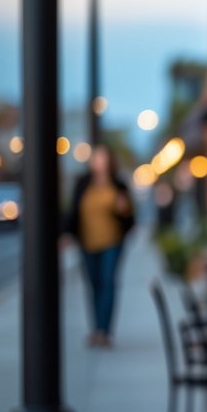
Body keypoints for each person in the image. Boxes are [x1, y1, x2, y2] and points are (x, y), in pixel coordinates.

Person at [65, 143, 135, 347]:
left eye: (103, 157)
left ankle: (105, 331)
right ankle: (95, 329)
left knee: (108, 283)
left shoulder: (118, 184)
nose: (99, 161)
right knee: (93, 285)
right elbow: (73, 211)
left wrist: (124, 210)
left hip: (112, 242)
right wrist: (67, 234)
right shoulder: (83, 183)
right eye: (96, 157)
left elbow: (130, 217)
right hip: (87, 243)